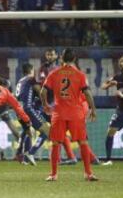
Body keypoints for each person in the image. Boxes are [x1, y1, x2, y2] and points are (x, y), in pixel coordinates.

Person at [41, 48, 98, 181]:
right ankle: (88, 173)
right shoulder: (80, 75)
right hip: (75, 113)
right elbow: (88, 93)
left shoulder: (54, 73)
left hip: (59, 112)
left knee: (55, 143)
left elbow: (43, 92)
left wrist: (45, 105)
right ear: (74, 59)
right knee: (82, 142)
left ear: (61, 58)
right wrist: (93, 109)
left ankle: (53, 174)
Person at [39, 48, 78, 164]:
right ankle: (68, 158)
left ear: (57, 56)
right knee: (59, 131)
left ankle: (62, 159)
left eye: (52, 54)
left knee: (57, 131)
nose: (50, 56)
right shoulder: (43, 68)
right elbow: (41, 84)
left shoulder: (60, 69)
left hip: (59, 103)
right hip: (51, 102)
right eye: (48, 54)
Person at [15, 63, 50, 166]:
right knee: (47, 131)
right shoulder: (31, 79)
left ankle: (24, 158)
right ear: (32, 70)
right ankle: (31, 153)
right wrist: (46, 102)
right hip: (28, 109)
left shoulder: (20, 81)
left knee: (29, 132)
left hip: (19, 110)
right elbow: (39, 91)